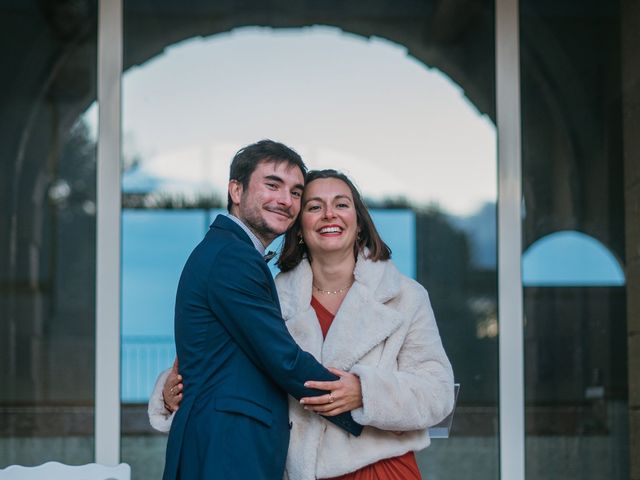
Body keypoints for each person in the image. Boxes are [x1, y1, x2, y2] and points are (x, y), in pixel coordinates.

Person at [152, 169, 455, 479]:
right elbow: (224, 366)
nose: (328, 214)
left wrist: (365, 392)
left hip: (381, 470)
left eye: (341, 204)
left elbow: (438, 394)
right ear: (298, 228)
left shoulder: (405, 297)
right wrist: (169, 390)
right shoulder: (269, 296)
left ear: (360, 223)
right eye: (314, 207)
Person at [159, 141, 362, 480]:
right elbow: (281, 358)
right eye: (272, 185)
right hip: (225, 451)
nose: (286, 200)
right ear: (235, 191)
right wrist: (363, 410)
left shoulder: (229, 252)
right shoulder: (232, 257)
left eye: (296, 192)